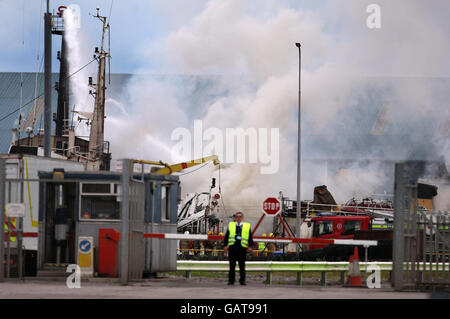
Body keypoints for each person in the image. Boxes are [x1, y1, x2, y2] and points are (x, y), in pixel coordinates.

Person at [223, 212, 254, 285]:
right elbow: (227, 236)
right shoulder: (231, 225)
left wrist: (250, 246)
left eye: (240, 216)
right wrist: (225, 245)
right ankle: (231, 280)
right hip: (233, 247)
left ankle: (242, 281)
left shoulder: (247, 226)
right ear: (235, 218)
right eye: (237, 217)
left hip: (242, 248)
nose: (238, 218)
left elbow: (250, 236)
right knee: (232, 266)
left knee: (242, 266)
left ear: (242, 217)